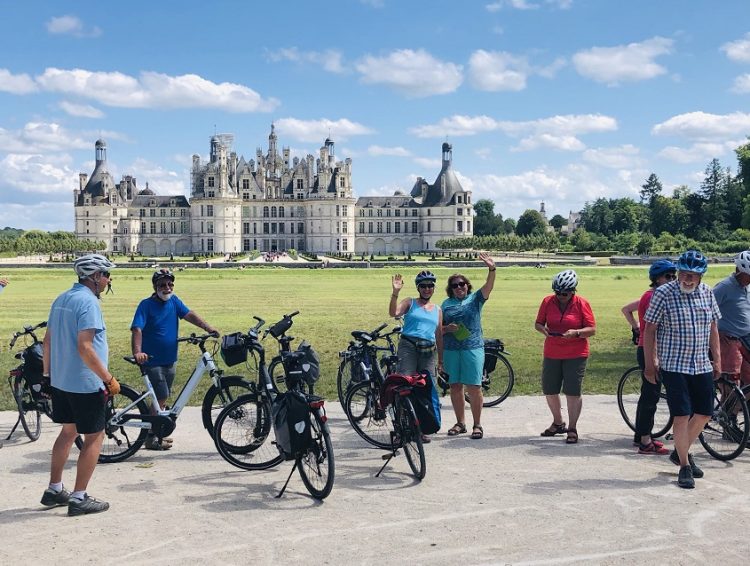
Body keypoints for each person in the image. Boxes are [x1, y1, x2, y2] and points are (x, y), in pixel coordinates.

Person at [41, 254, 119, 516]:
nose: (109, 280)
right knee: (95, 436)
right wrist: (108, 378)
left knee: (67, 433)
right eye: (107, 275)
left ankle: (54, 488)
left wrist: (47, 376)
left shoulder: (62, 299)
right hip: (86, 383)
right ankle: (79, 496)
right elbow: (85, 347)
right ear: (95, 276)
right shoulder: (88, 303)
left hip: (62, 380)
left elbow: (47, 341)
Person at [643, 250, 721, 489]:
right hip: (674, 363)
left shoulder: (707, 293)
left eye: (693, 276)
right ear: (678, 273)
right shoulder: (664, 294)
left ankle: (680, 450)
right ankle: (685, 465)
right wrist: (650, 363)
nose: (688, 279)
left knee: (705, 413)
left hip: (700, 363)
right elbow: (650, 330)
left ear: (700, 276)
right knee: (681, 414)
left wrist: (716, 358)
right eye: (684, 274)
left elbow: (713, 326)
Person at [131, 268, 218, 450]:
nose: (167, 288)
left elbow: (189, 315)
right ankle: (152, 437)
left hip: (169, 358)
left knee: (161, 398)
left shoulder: (174, 302)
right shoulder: (146, 305)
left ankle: (156, 430)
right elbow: (137, 329)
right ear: (155, 287)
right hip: (152, 360)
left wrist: (207, 328)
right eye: (162, 285)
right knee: (161, 396)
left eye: (170, 284)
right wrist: (138, 351)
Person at [620, 259, 676, 455]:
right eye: (667, 276)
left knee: (648, 395)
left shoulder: (652, 295)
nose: (671, 279)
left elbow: (626, 309)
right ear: (656, 279)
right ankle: (645, 440)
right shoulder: (653, 297)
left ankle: (642, 435)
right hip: (650, 350)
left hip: (653, 348)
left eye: (673, 276)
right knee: (650, 397)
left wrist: (636, 327)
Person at [534, 269, 596, 445]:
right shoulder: (547, 301)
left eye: (565, 293)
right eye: (557, 292)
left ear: (573, 291)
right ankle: (558, 422)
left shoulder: (582, 304)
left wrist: (576, 332)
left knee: (572, 390)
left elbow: (591, 329)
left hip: (576, 353)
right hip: (552, 351)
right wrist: (542, 329)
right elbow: (538, 323)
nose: (560, 296)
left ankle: (573, 428)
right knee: (549, 388)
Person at [441, 252, 496, 440]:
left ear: (467, 286)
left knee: (474, 387)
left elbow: (488, 287)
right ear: (451, 289)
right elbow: (438, 329)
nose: (459, 288)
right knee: (455, 386)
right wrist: (447, 328)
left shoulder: (475, 299)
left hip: (472, 347)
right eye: (455, 285)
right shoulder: (445, 304)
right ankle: (460, 423)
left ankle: (477, 424)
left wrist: (491, 268)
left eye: (461, 284)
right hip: (451, 349)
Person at [389, 270, 444, 442]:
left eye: (430, 286)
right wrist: (395, 292)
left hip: (428, 351)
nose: (427, 289)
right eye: (423, 286)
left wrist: (441, 359)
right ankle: (400, 428)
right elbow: (393, 313)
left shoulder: (437, 309)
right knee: (404, 385)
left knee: (425, 388)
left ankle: (420, 428)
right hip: (409, 346)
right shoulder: (410, 302)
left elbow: (439, 335)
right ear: (418, 288)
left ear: (434, 288)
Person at [712, 250, 750, 389]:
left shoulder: (746, 287)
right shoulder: (724, 287)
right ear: (739, 270)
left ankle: (734, 408)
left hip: (745, 339)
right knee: (733, 380)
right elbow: (707, 309)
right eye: (748, 276)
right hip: (729, 339)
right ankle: (728, 410)